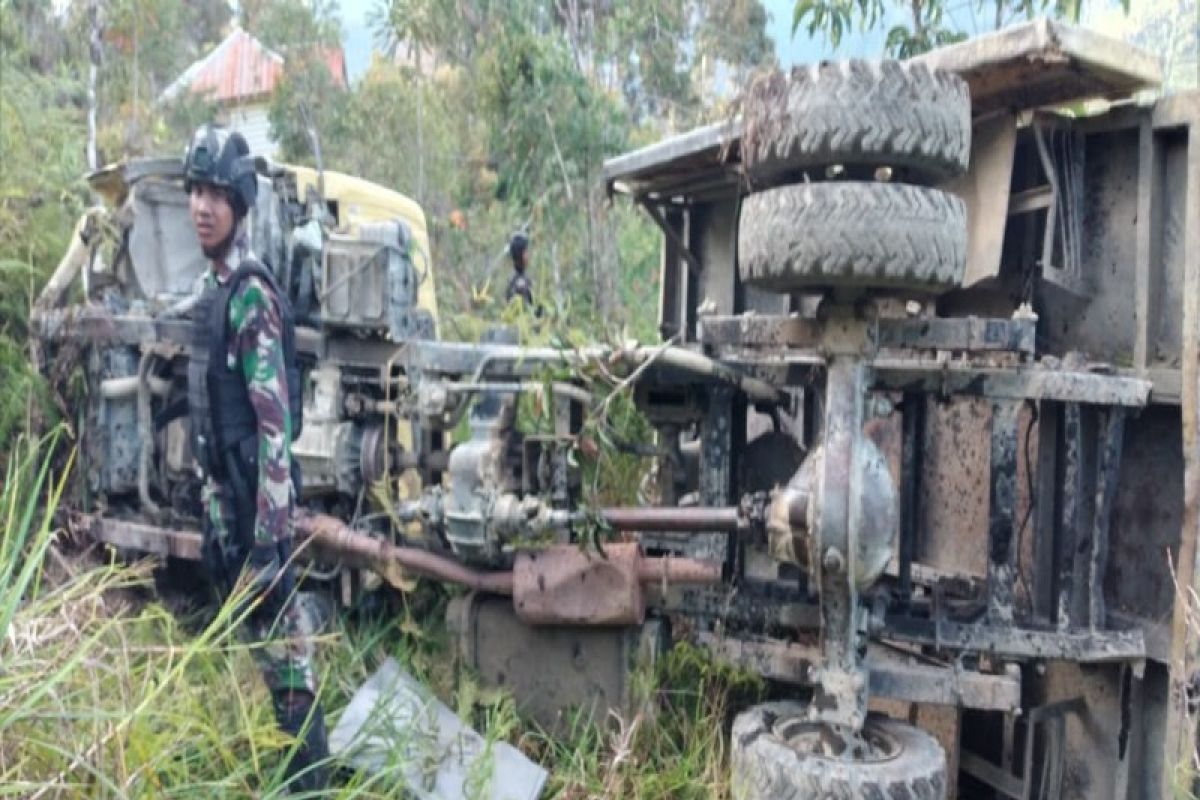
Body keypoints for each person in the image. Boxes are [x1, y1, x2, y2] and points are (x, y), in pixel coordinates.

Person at [183, 124, 329, 792]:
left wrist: (269, 540)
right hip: (236, 505)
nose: (203, 206)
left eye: (217, 193)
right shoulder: (215, 292)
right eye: (195, 191)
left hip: (260, 508)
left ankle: (313, 782)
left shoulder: (250, 296)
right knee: (273, 654)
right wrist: (217, 518)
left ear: (239, 205)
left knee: (288, 655)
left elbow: (276, 430)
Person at [505, 231, 534, 306]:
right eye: (526, 252)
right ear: (520, 255)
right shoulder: (520, 284)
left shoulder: (514, 279)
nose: (528, 255)